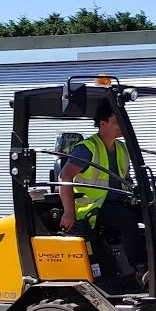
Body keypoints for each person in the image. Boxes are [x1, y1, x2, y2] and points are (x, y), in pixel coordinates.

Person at [58, 101, 146, 274]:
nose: (120, 127)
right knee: (126, 219)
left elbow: (125, 177)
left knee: (154, 212)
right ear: (102, 124)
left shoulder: (122, 148)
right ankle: (140, 268)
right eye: (116, 122)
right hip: (94, 208)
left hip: (118, 202)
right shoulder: (87, 149)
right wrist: (69, 211)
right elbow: (64, 176)